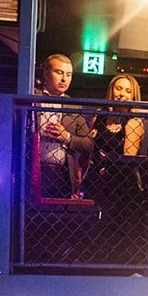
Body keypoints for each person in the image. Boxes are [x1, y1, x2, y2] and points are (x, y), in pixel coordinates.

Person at [35, 53, 95, 198]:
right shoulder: (31, 97)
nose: (64, 79)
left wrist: (67, 137)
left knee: (60, 217)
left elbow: (89, 144)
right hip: (33, 170)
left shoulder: (72, 105)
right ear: (46, 73)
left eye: (68, 74)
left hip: (63, 174)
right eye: (59, 72)